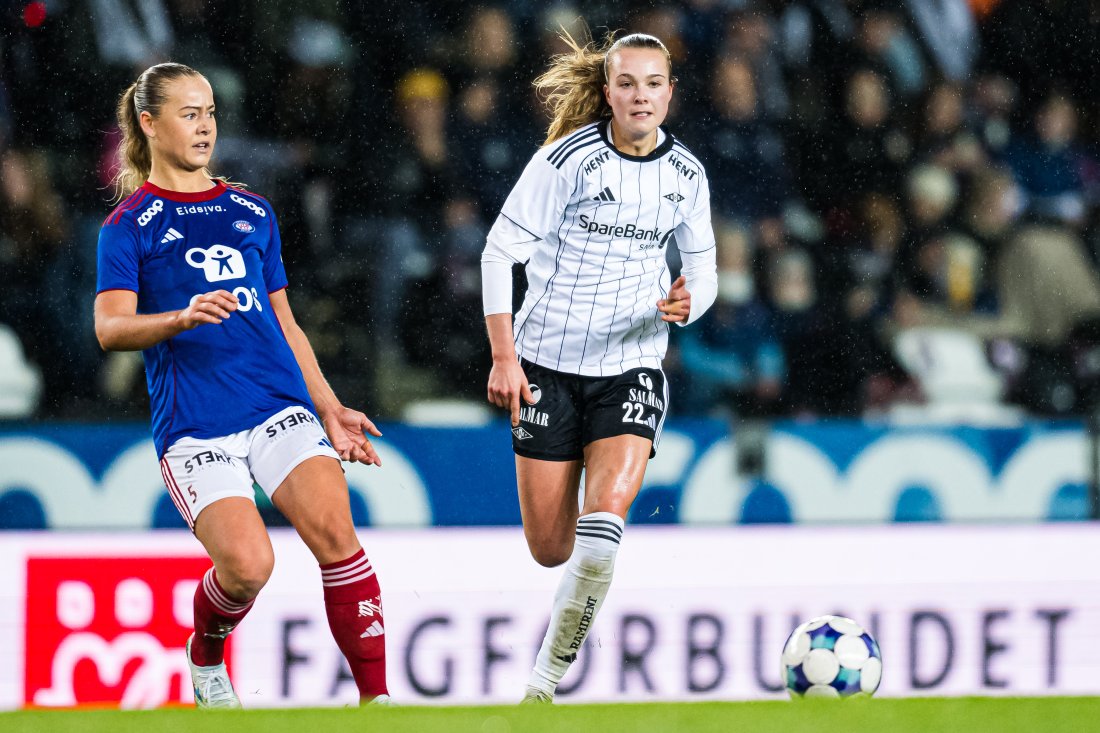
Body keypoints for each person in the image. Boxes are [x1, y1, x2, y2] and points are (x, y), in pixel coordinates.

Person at [93, 63, 390, 708]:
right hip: (196, 425)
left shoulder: (251, 210)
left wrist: (331, 407)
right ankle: (206, 651)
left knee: (338, 536)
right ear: (149, 124)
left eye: (210, 113)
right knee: (250, 566)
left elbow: (284, 321)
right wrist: (181, 316)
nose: (205, 127)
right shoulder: (128, 227)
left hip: (276, 407)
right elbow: (110, 329)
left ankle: (378, 705)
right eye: (188, 113)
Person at [480, 31, 718, 703]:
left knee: (604, 518)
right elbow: (499, 254)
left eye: (652, 83)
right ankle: (548, 668)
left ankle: (542, 684)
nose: (640, 96)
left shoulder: (687, 177)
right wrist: (503, 356)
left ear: (670, 93)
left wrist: (687, 303)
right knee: (552, 548)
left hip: (631, 367)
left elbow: (704, 273)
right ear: (608, 92)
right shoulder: (565, 161)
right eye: (627, 83)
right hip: (544, 365)